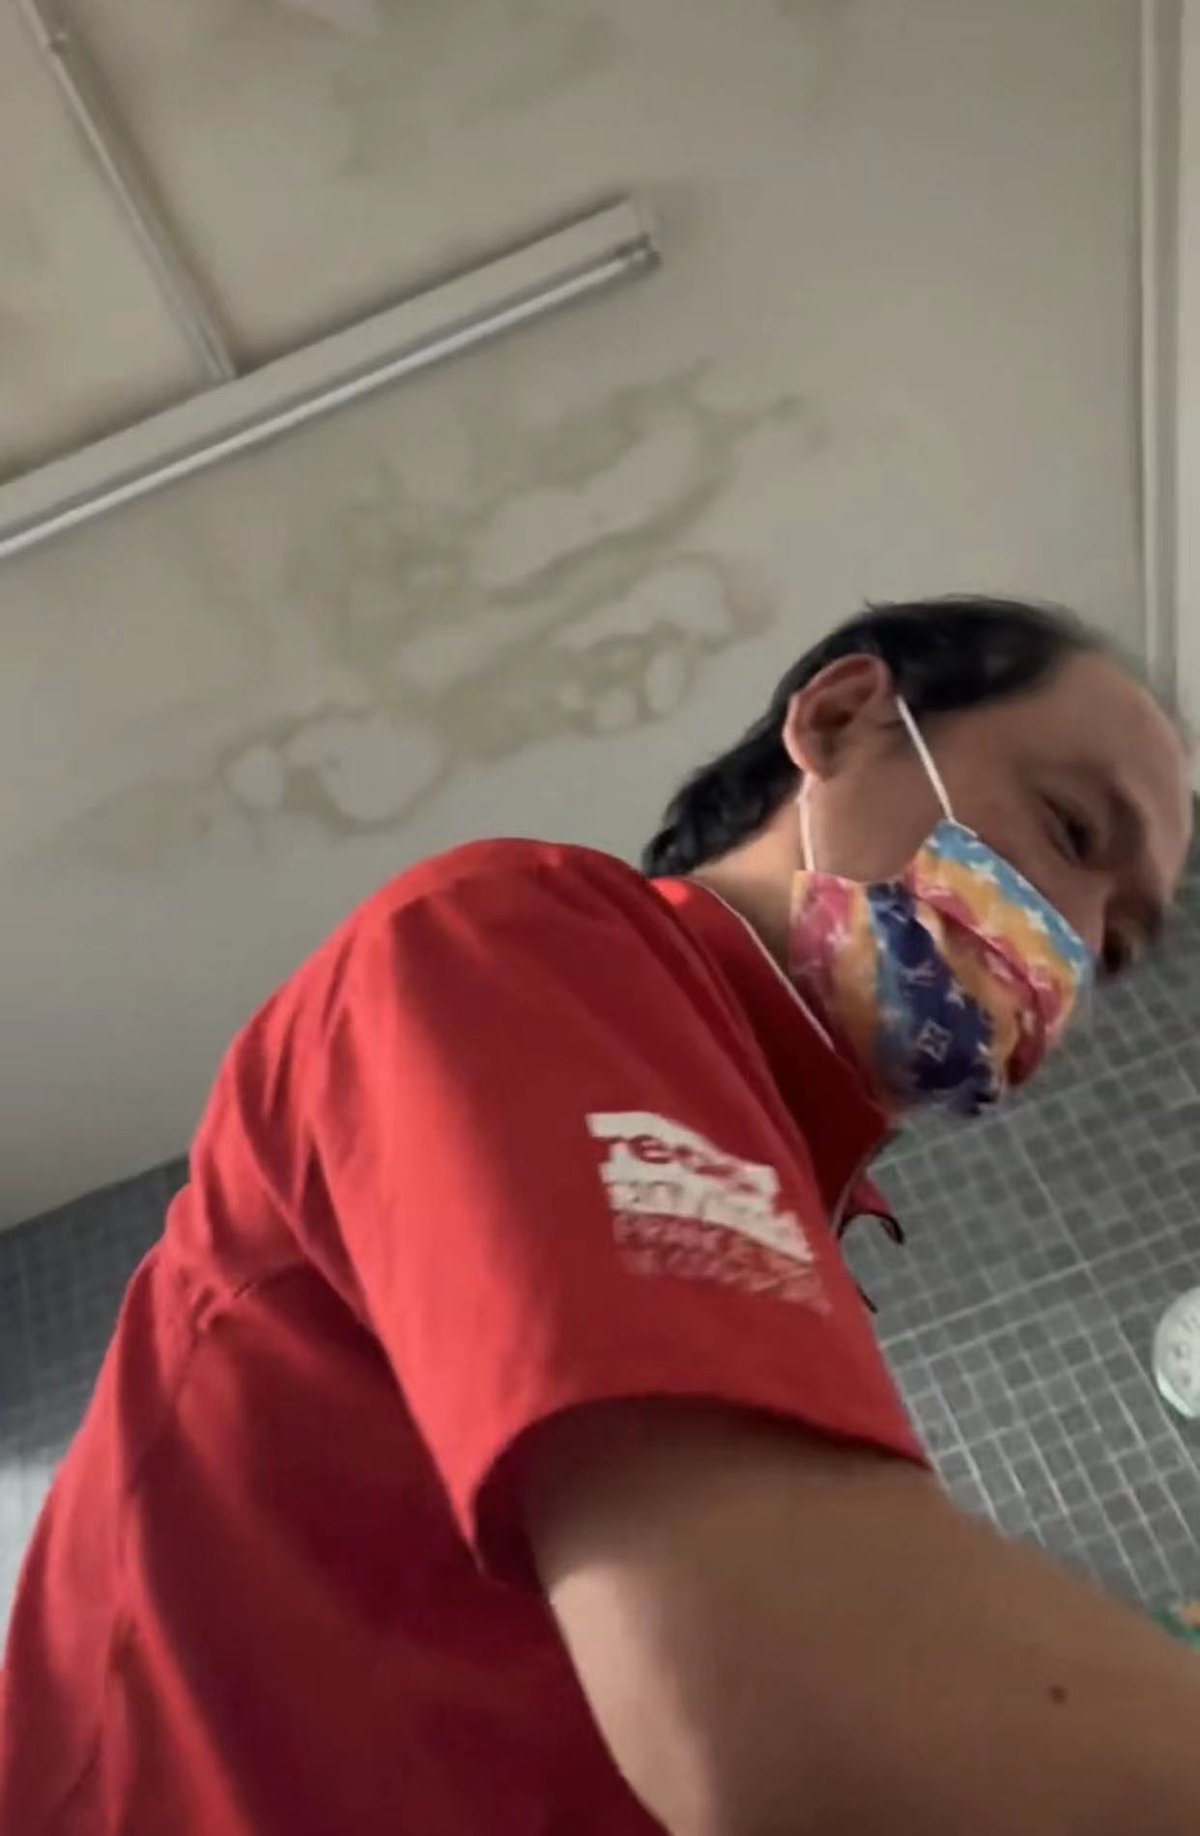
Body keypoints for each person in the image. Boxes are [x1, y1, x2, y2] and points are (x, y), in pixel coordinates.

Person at [2, 595, 1198, 1835]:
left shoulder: (798, 1212)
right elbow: (786, 1699)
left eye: (1115, 950)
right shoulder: (518, 947)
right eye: (1070, 829)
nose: (1071, 944)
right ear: (844, 720)